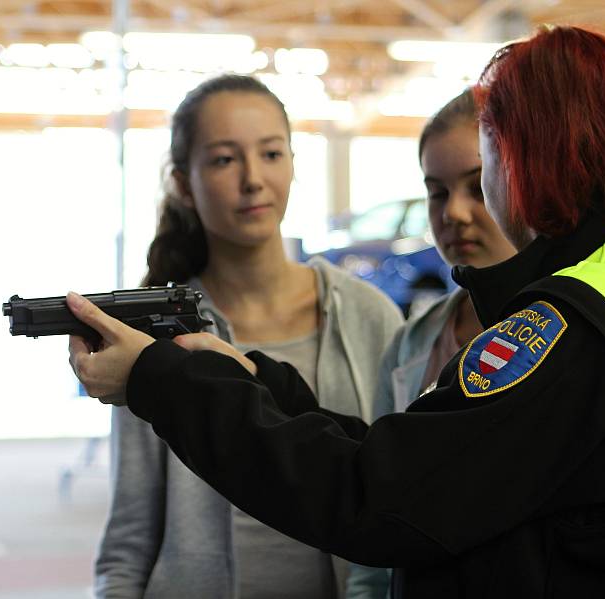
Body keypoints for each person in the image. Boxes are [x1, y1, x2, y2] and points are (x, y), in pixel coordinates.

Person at [69, 26, 605, 599]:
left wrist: (162, 380)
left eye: (487, 154)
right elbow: (426, 460)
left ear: (525, 155)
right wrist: (255, 380)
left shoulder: (573, 325)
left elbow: (378, 497)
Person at [93, 74, 403, 599]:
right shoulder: (155, 338)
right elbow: (129, 535)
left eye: (271, 154)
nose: (253, 179)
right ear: (183, 183)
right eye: (223, 159)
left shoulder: (367, 315)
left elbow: (398, 488)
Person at [345, 89, 515, 599]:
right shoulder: (411, 345)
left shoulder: (566, 340)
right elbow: (375, 513)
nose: (455, 212)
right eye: (437, 192)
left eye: (478, 187)